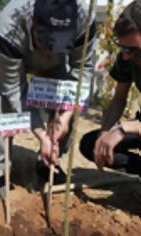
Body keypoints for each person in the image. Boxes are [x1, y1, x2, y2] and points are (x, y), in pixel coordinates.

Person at [0, 0, 96, 199]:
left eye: (57, 42)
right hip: (12, 54)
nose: (49, 50)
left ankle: (49, 162)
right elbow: (14, 90)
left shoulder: (85, 21)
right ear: (32, 18)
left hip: (56, 64)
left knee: (67, 100)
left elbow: (83, 72)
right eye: (46, 41)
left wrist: (65, 115)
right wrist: (42, 134)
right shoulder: (9, 24)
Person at [80, 0, 141, 175]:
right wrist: (104, 135)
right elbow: (119, 99)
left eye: (135, 51)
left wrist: (124, 129)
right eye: (124, 49)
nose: (127, 56)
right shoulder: (127, 58)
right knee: (90, 144)